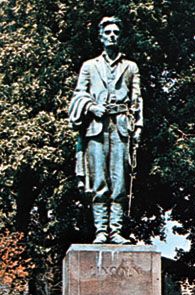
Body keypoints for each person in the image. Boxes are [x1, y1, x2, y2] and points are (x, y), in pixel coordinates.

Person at [69, 16, 143, 244]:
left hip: (121, 127)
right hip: (96, 129)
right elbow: (78, 94)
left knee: (119, 182)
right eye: (108, 32)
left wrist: (138, 125)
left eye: (116, 32)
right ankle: (101, 230)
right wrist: (92, 106)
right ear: (101, 37)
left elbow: (137, 99)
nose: (112, 36)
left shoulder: (130, 67)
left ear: (121, 37)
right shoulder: (89, 66)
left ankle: (116, 231)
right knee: (99, 181)